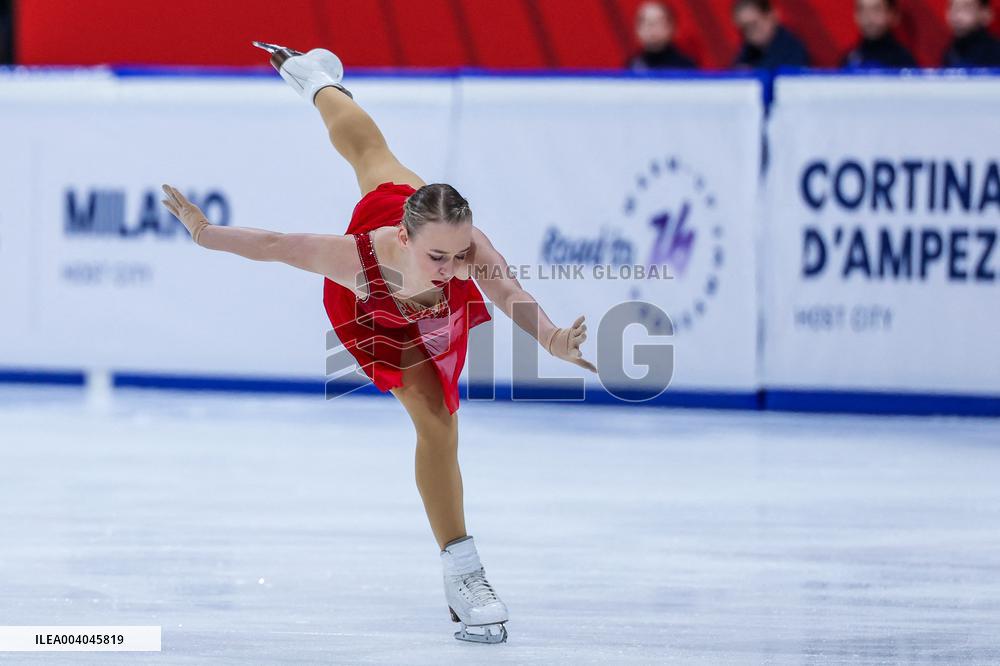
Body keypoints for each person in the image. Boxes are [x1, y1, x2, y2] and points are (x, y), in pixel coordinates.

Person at [160, 41, 597, 644]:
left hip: (427, 295)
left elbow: (508, 291)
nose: (453, 268)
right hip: (372, 313)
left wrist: (551, 339)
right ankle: (465, 573)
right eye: (438, 257)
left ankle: (316, 78)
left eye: (459, 254)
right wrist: (204, 232)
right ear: (406, 237)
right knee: (436, 419)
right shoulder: (356, 258)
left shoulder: (461, 248)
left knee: (371, 149)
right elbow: (276, 245)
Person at [731, 0, 810, 70]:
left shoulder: (792, 49)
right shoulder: (747, 51)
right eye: (744, 28)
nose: (750, 32)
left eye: (754, 24)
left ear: (771, 16)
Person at [842, 0, 917, 68]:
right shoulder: (848, 60)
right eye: (861, 9)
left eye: (876, 9)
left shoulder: (904, 62)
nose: (868, 17)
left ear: (893, 14)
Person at [625, 1, 696, 71]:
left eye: (658, 22)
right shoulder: (631, 67)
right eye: (646, 22)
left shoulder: (686, 68)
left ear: (672, 27)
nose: (651, 28)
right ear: (637, 29)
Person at [942, 0, 1000, 67]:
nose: (956, 16)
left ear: (986, 14)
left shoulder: (996, 53)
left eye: (966, 8)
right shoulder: (949, 53)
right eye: (952, 7)